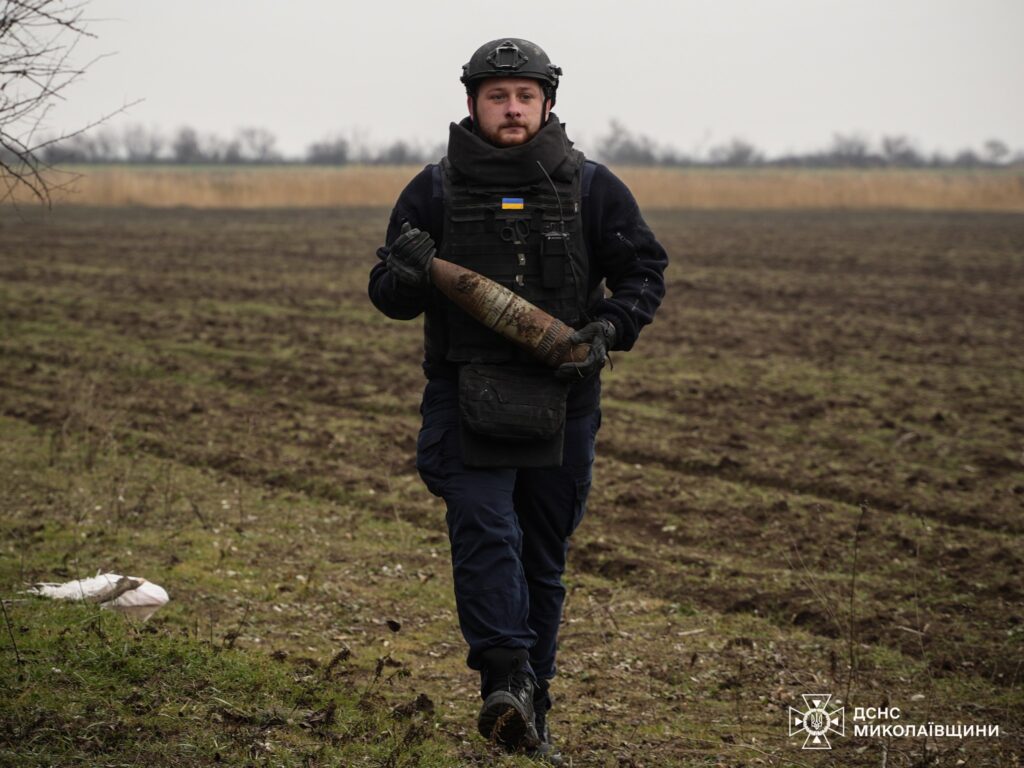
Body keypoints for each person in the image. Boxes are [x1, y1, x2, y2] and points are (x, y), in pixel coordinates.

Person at [368, 38, 667, 761]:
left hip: (562, 400)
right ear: (472, 102)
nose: (511, 108)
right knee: (484, 530)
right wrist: (408, 276)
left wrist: (610, 327)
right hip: (464, 395)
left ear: (548, 103)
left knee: (541, 555)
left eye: (524, 95)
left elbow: (644, 272)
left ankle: (533, 701)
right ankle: (502, 679)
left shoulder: (594, 189)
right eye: (497, 95)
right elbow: (386, 295)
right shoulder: (433, 191)